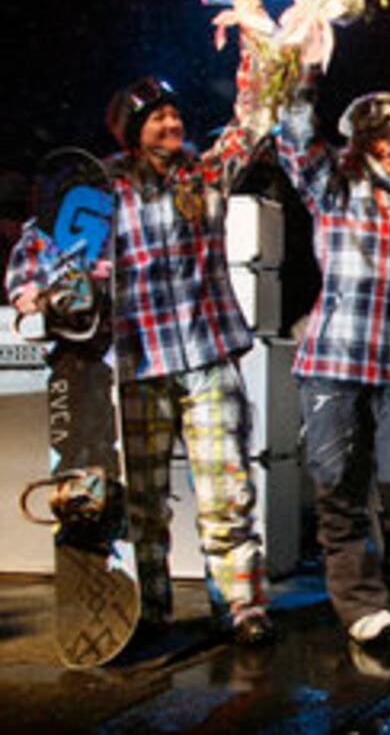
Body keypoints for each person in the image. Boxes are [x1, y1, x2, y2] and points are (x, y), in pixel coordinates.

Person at [8, 74, 272, 644]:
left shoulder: (202, 173)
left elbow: (252, 123)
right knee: (144, 503)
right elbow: (35, 247)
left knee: (228, 494)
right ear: (132, 132)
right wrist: (31, 287)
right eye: (158, 118)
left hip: (207, 357)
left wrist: (267, 47)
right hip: (137, 367)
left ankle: (242, 606)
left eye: (175, 115)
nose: (172, 125)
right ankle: (148, 609)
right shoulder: (99, 189)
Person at [273, 89, 390, 644]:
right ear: (361, 143)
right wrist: (305, 70)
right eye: (380, 138)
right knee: (340, 488)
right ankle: (361, 604)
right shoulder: (338, 186)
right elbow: (297, 139)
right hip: (337, 361)